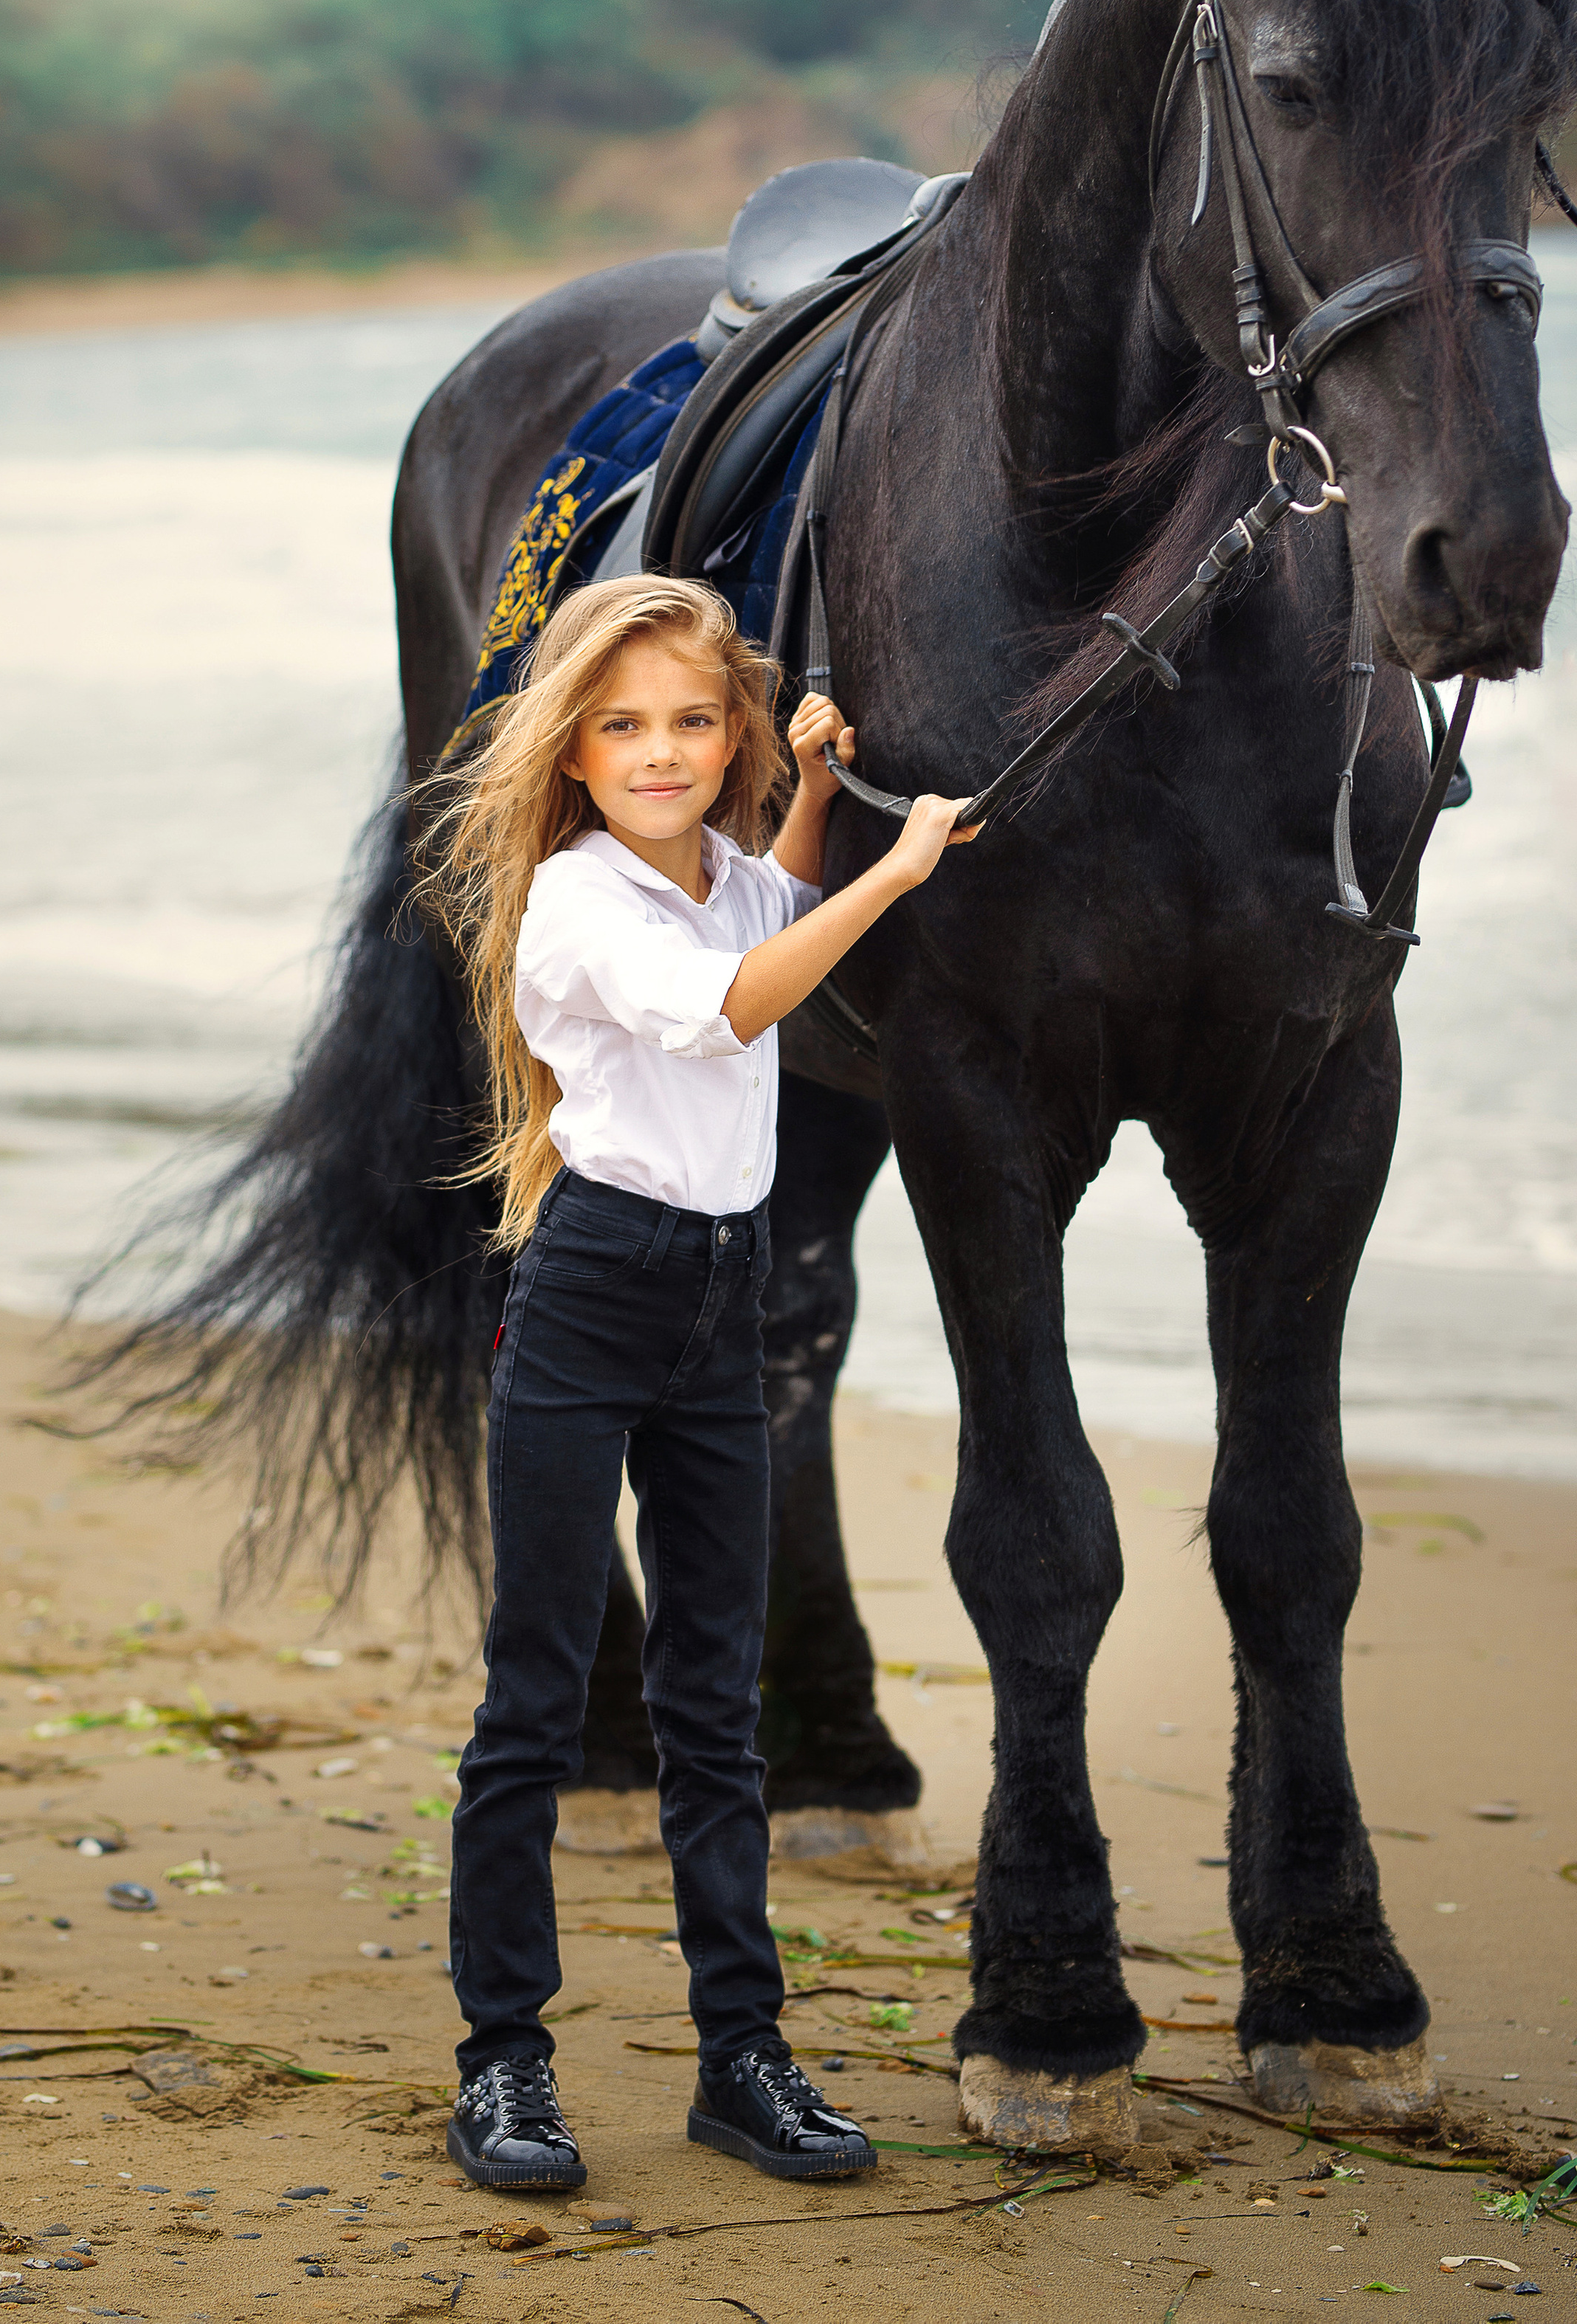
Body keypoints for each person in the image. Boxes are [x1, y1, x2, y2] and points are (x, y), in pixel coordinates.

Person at [418, 573, 973, 2193]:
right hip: (593, 1295)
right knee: (534, 1700)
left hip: (723, 1303)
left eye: (689, 721)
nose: (658, 752)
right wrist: (901, 867)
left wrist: (815, 796)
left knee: (715, 1705)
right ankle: (502, 2063)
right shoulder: (576, 902)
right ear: (573, 753)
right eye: (622, 727)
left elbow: (761, 910)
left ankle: (742, 2057)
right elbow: (738, 1002)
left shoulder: (725, 872)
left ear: (730, 734)